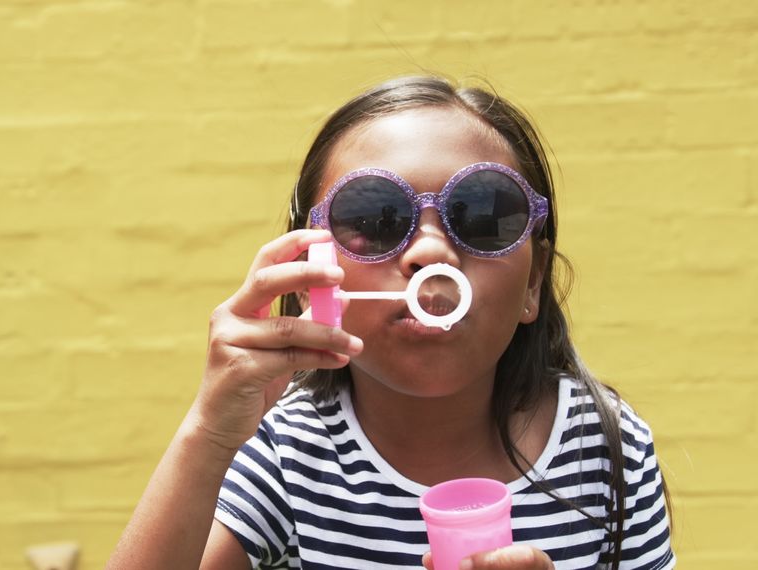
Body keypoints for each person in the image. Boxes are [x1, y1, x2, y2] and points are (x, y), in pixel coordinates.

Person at [107, 75, 674, 569]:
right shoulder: (291, 450)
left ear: (533, 283)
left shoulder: (604, 447)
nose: (430, 251)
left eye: (482, 214)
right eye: (375, 218)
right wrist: (208, 434)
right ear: (311, 278)